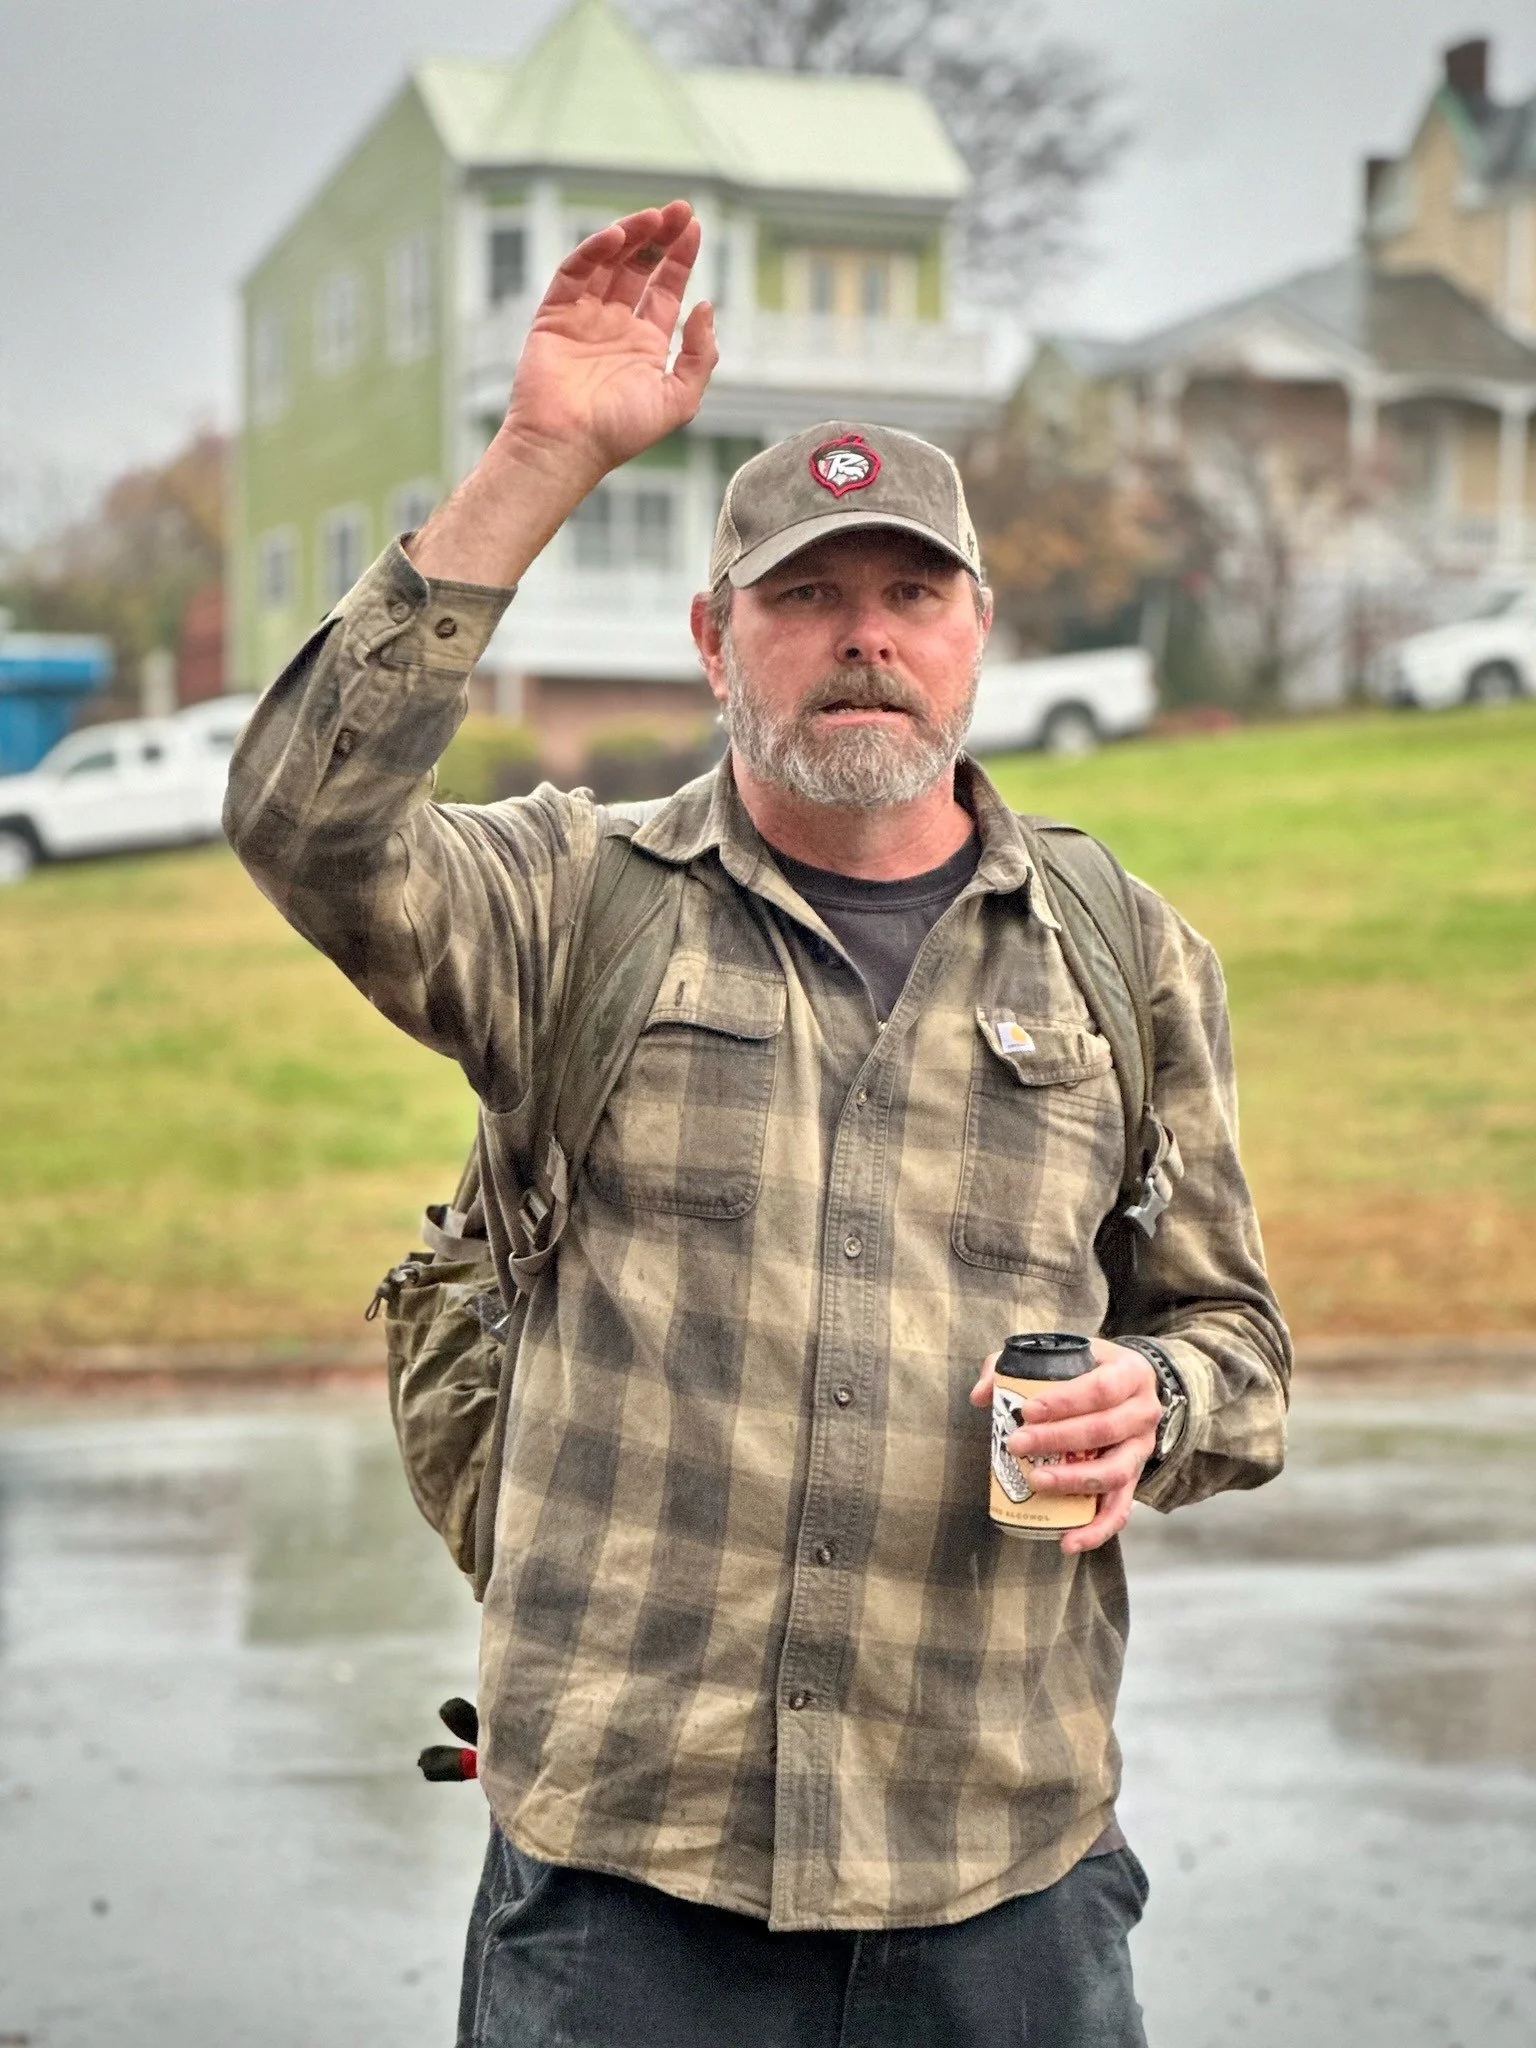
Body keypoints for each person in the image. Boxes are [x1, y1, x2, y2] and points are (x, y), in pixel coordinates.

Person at [225, 202, 1290, 2048]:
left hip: (1002, 1886)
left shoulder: (1129, 958)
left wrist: (1163, 1402)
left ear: (974, 633)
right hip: (630, 1891)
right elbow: (303, 823)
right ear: (719, 635)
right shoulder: (569, 905)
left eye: (908, 595)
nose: (860, 637)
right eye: (805, 595)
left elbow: (1240, 1351)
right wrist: (542, 455)